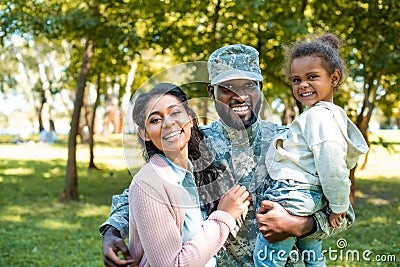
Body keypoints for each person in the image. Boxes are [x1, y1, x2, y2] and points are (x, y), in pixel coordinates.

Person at [100, 44, 356, 267]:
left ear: (260, 88)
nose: (239, 95)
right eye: (227, 87)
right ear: (212, 92)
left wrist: (297, 226)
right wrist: (112, 230)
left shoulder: (291, 142)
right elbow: (145, 190)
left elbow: (344, 213)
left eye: (248, 85)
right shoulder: (194, 143)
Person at [253, 34, 369, 266]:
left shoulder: (319, 117)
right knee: (312, 257)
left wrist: (338, 207)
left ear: (334, 78)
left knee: (267, 259)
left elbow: (332, 167)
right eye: (296, 80)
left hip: (293, 195)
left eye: (312, 77)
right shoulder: (326, 116)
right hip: (310, 198)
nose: (302, 85)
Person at [126, 83, 250, 266]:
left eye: (175, 112)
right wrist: (224, 216)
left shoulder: (189, 171)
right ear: (144, 133)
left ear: (190, 118)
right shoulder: (148, 184)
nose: (168, 123)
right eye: (155, 120)